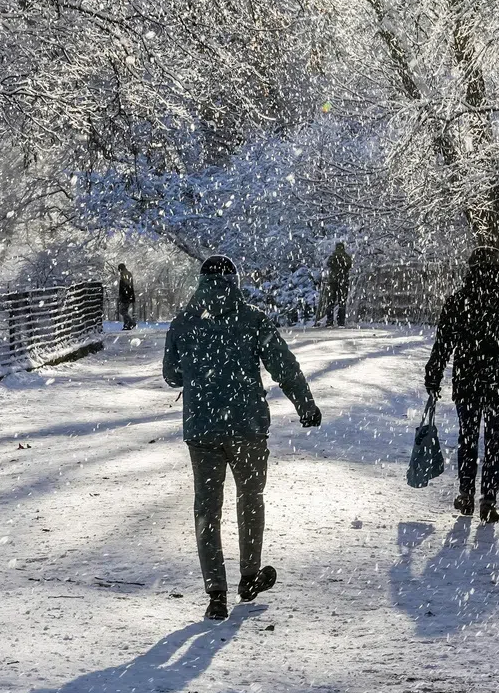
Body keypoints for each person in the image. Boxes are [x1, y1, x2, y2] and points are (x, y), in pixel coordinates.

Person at [163, 255, 322, 621]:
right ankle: (249, 576)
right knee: (250, 498)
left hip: (202, 428)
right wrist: (305, 405)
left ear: (200, 282)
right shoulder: (252, 319)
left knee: (207, 508)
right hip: (247, 425)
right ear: (235, 280)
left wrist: (199, 370)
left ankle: (215, 592)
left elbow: (172, 375)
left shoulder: (184, 323)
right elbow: (284, 365)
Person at [424, 245, 499, 524]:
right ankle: (488, 499)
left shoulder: (459, 300)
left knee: (468, 437)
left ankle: (465, 493)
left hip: (468, 379)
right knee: (495, 442)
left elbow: (443, 344)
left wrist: (434, 375)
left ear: (470, 270)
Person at [322, 243, 352, 327]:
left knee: (330, 302)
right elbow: (349, 265)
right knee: (342, 302)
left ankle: (329, 321)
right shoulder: (346, 256)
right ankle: (340, 322)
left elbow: (328, 264)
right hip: (342, 281)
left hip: (333, 281)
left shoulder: (333, 256)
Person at [117, 263, 136, 330]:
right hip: (128, 295)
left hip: (126, 296)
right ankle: (126, 325)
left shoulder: (124, 275)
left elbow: (125, 286)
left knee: (122, 311)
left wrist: (122, 295)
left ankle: (131, 323)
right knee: (125, 310)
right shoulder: (128, 274)